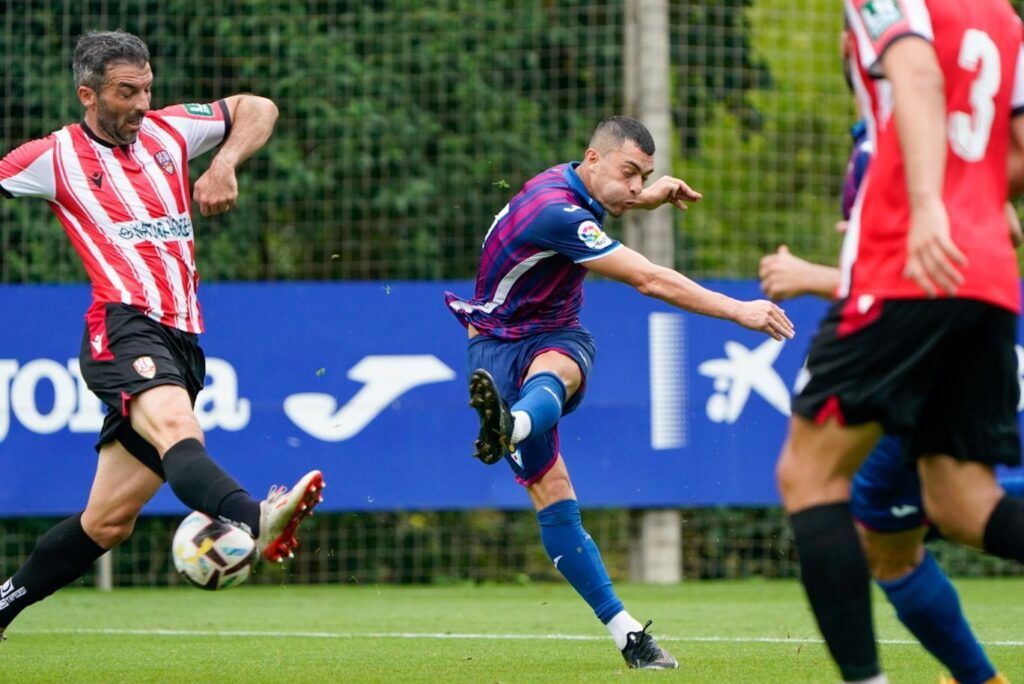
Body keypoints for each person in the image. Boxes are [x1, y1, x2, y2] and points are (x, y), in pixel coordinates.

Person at [0, 31, 324, 638]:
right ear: (88, 95)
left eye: (148, 88)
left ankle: (2, 605)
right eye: (128, 92)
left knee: (107, 522)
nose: (143, 104)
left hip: (183, 341)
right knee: (180, 431)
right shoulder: (53, 156)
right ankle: (258, 517)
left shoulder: (171, 132)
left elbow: (259, 107)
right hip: (122, 325)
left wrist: (224, 161)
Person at [445, 115, 794, 670]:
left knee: (560, 401)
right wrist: (739, 310)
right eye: (629, 173)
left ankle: (629, 635)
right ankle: (514, 424)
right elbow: (649, 278)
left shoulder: (564, 184)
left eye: (643, 175)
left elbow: (606, 199)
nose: (634, 185)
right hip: (504, 350)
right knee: (561, 409)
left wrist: (645, 198)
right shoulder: (558, 213)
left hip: (509, 346)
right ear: (593, 159)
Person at [776, 2, 1024, 681]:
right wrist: (971, 199)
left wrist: (927, 203)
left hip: (905, 266)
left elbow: (914, 75)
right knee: (965, 506)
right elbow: (1017, 149)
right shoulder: (1002, 17)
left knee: (809, 476)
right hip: (989, 275)